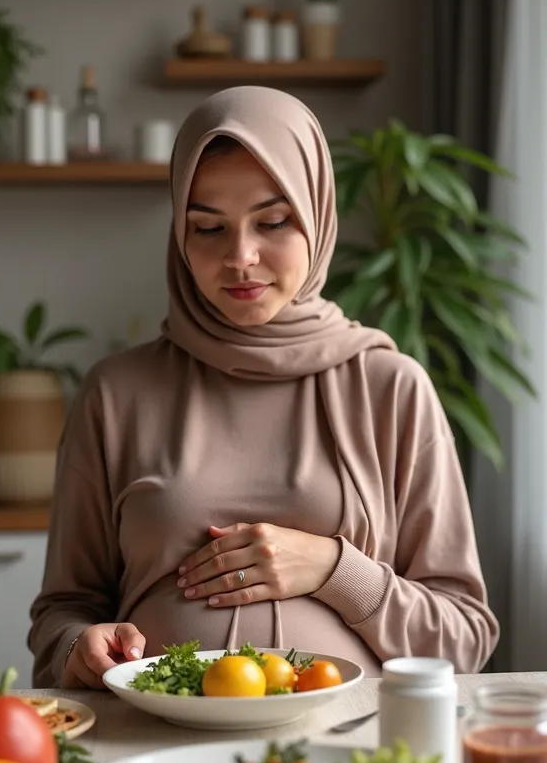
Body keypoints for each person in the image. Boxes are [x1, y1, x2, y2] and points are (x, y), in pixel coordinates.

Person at [28, 86, 499, 689]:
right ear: (179, 234)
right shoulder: (117, 393)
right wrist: (80, 645)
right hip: (152, 744)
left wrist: (333, 568)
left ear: (316, 216)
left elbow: (464, 636)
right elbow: (61, 612)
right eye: (207, 228)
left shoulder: (392, 388)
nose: (241, 256)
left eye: (273, 221)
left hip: (346, 749)